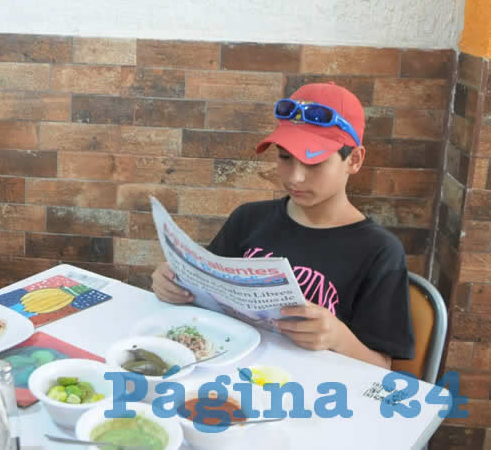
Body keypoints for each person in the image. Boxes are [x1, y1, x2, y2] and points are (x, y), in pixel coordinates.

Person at [151, 82, 414, 369]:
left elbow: (382, 369)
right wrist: (173, 284)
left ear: (354, 160)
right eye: (285, 158)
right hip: (231, 371)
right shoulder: (248, 219)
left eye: (313, 163)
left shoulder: (378, 251)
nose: (295, 178)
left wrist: (338, 337)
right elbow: (207, 298)